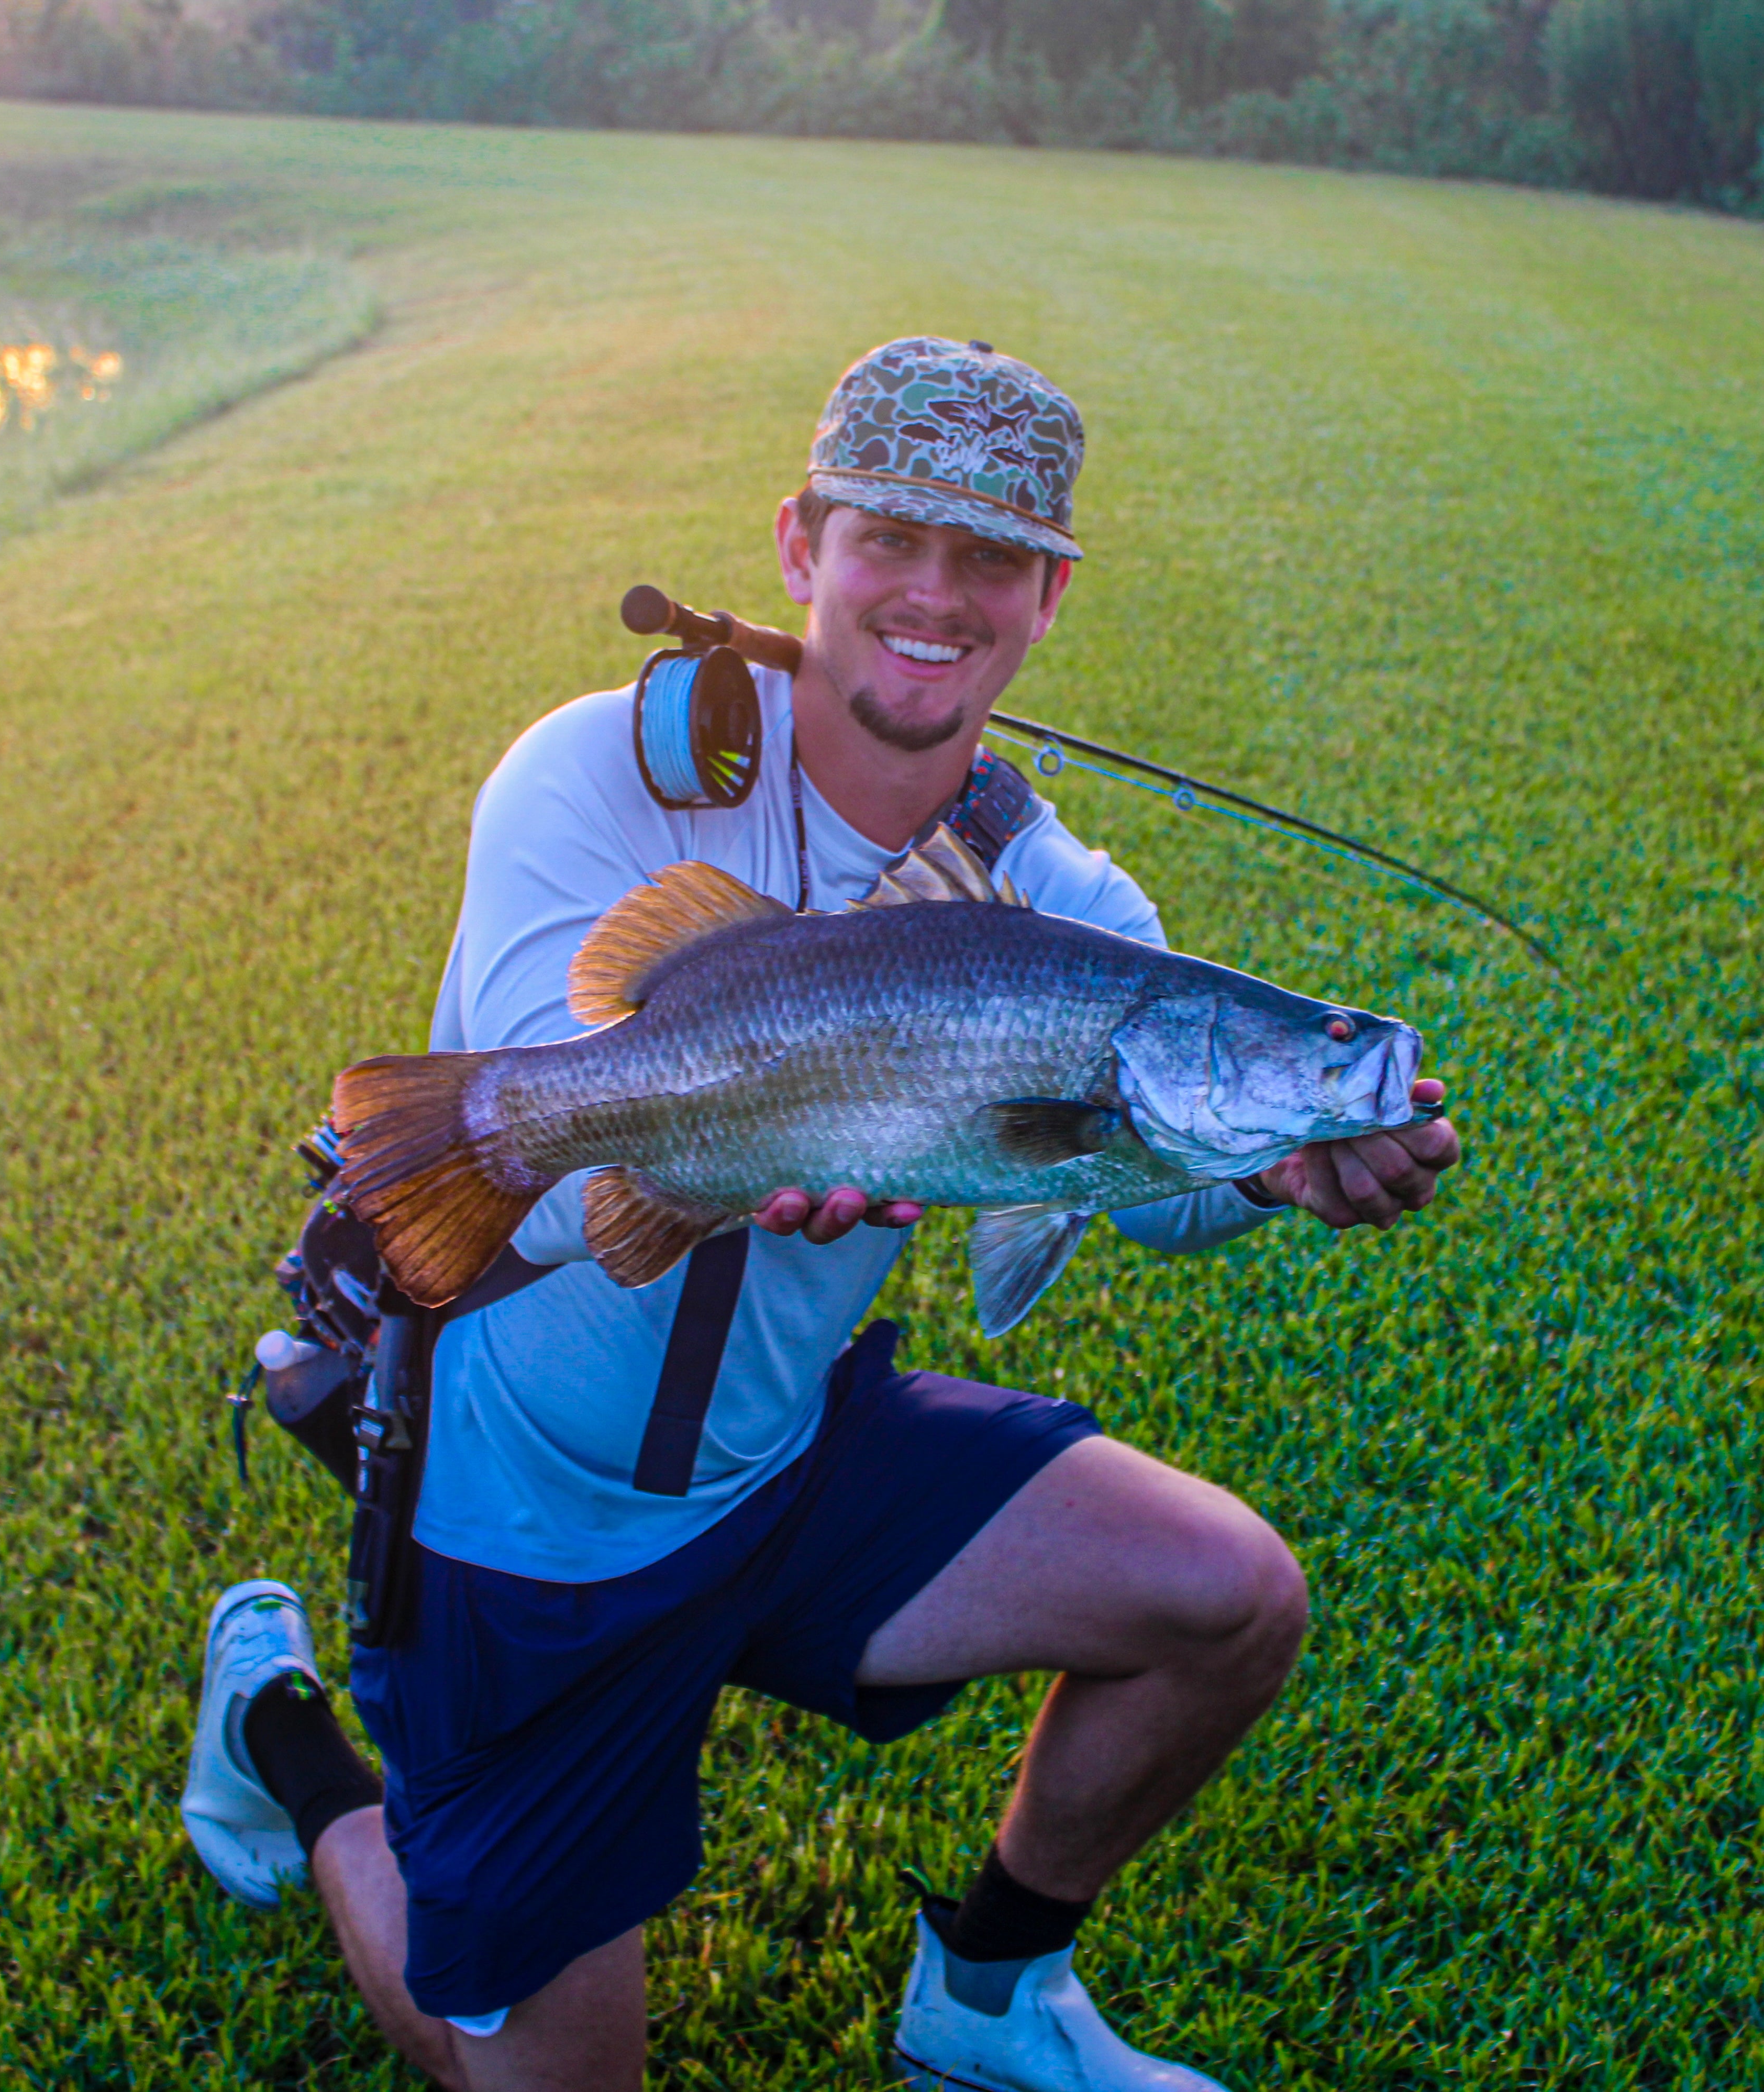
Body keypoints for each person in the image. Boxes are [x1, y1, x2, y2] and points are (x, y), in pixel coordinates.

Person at [181, 337, 1459, 2092]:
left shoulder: (1065, 900)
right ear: (801, 544)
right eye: (890, 540)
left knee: (1229, 1593)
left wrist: (1271, 1171)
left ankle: (990, 1992)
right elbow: (505, 1173)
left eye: (991, 557)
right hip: (533, 1521)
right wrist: (710, 1154)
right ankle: (285, 1737)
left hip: (779, 1463)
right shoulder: (589, 780)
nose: (934, 595)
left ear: (1047, 595)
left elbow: (1139, 1184)